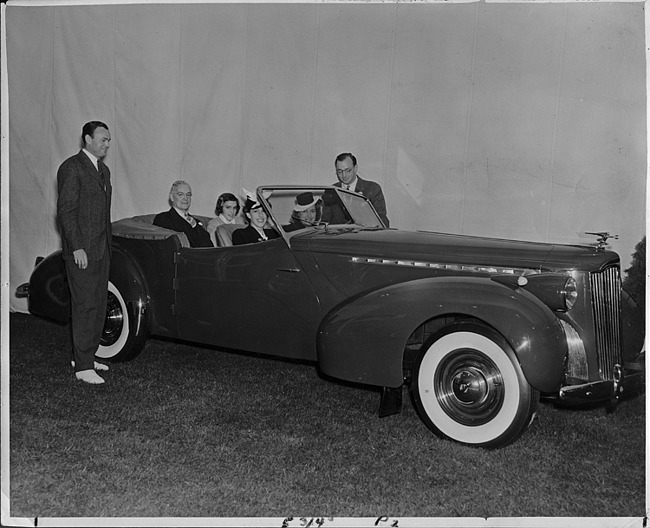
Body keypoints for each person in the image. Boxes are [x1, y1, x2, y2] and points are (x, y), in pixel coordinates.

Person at [57, 121, 113, 385]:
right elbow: (66, 212)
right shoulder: (71, 167)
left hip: (101, 249)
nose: (106, 144)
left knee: (99, 305)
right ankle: (82, 367)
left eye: (108, 140)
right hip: (82, 251)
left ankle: (87, 357)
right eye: (102, 139)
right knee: (85, 306)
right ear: (87, 139)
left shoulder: (104, 170)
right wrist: (77, 246)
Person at [332, 152, 390, 227]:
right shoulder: (332, 191)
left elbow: (382, 221)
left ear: (355, 168)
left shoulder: (373, 189)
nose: (344, 175)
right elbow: (325, 221)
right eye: (340, 171)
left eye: (348, 170)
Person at [153, 181, 213, 247]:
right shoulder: (163, 219)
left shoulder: (196, 222)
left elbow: (209, 246)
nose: (185, 198)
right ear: (172, 197)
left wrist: (195, 226)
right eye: (180, 194)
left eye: (188, 194)